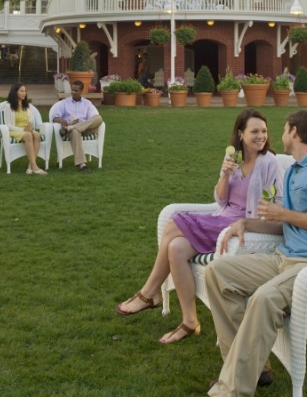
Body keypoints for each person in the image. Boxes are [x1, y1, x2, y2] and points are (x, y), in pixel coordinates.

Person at [182, 109, 307, 397]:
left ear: (294, 131)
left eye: (283, 129)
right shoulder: (294, 172)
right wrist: (247, 223)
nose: (276, 134)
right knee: (219, 273)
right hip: (286, 257)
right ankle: (254, 369)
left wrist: (285, 213)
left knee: (263, 299)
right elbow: (285, 221)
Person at [116, 109, 284, 344]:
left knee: (175, 221)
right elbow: (220, 200)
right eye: (255, 131)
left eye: (264, 131)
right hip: (222, 217)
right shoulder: (233, 158)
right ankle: (189, 320)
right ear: (241, 134)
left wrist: (253, 222)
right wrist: (225, 175)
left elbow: (274, 203)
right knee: (175, 248)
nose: (261, 136)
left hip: (241, 226)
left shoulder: (269, 162)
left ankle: (148, 293)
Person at [52, 80, 103, 173]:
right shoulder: (64, 103)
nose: (73, 92)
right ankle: (82, 164)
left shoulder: (87, 103)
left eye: (76, 90)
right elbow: (54, 118)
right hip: (71, 128)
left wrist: (79, 124)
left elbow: (94, 118)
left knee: (99, 118)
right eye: (72, 90)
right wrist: (61, 120)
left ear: (81, 91)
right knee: (75, 131)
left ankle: (73, 127)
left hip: (85, 128)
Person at [2, 83, 47, 175]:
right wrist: (23, 130)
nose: (24, 93)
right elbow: (8, 125)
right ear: (15, 92)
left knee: (37, 135)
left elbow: (30, 122)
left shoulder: (28, 106)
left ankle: (30, 166)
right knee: (28, 135)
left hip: (26, 130)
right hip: (14, 130)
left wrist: (30, 128)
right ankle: (35, 166)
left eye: (25, 91)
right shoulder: (8, 106)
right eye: (21, 91)